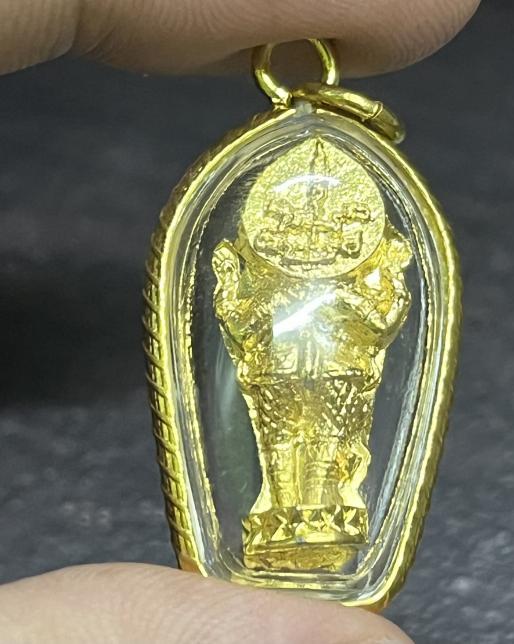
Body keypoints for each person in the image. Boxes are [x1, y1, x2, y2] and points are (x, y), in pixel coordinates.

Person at [0, 1, 479, 642]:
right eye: (300, 223)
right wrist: (229, 280)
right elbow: (242, 325)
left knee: (331, 452)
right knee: (280, 456)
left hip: (340, 376)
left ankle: (325, 524)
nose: (314, 234)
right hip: (277, 376)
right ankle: (284, 524)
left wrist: (387, 270)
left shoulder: (356, 288)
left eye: (330, 224)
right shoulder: (266, 289)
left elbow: (383, 321)